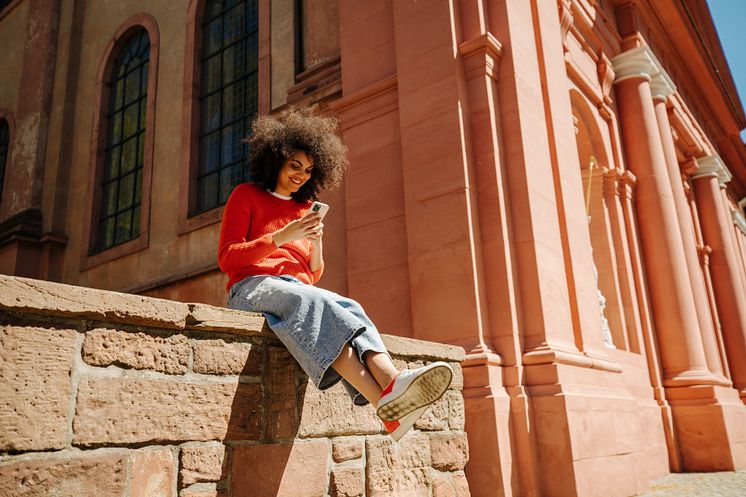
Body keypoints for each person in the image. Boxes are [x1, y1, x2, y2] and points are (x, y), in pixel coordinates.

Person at [218, 107, 452, 441]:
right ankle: (390, 386)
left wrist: (316, 240)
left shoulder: (302, 210)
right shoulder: (247, 195)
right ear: (276, 160)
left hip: (296, 292)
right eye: (294, 165)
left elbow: (311, 276)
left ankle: (388, 403)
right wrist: (284, 235)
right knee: (314, 302)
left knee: (348, 306)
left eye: (309, 170)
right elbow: (228, 258)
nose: (301, 175)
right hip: (250, 288)